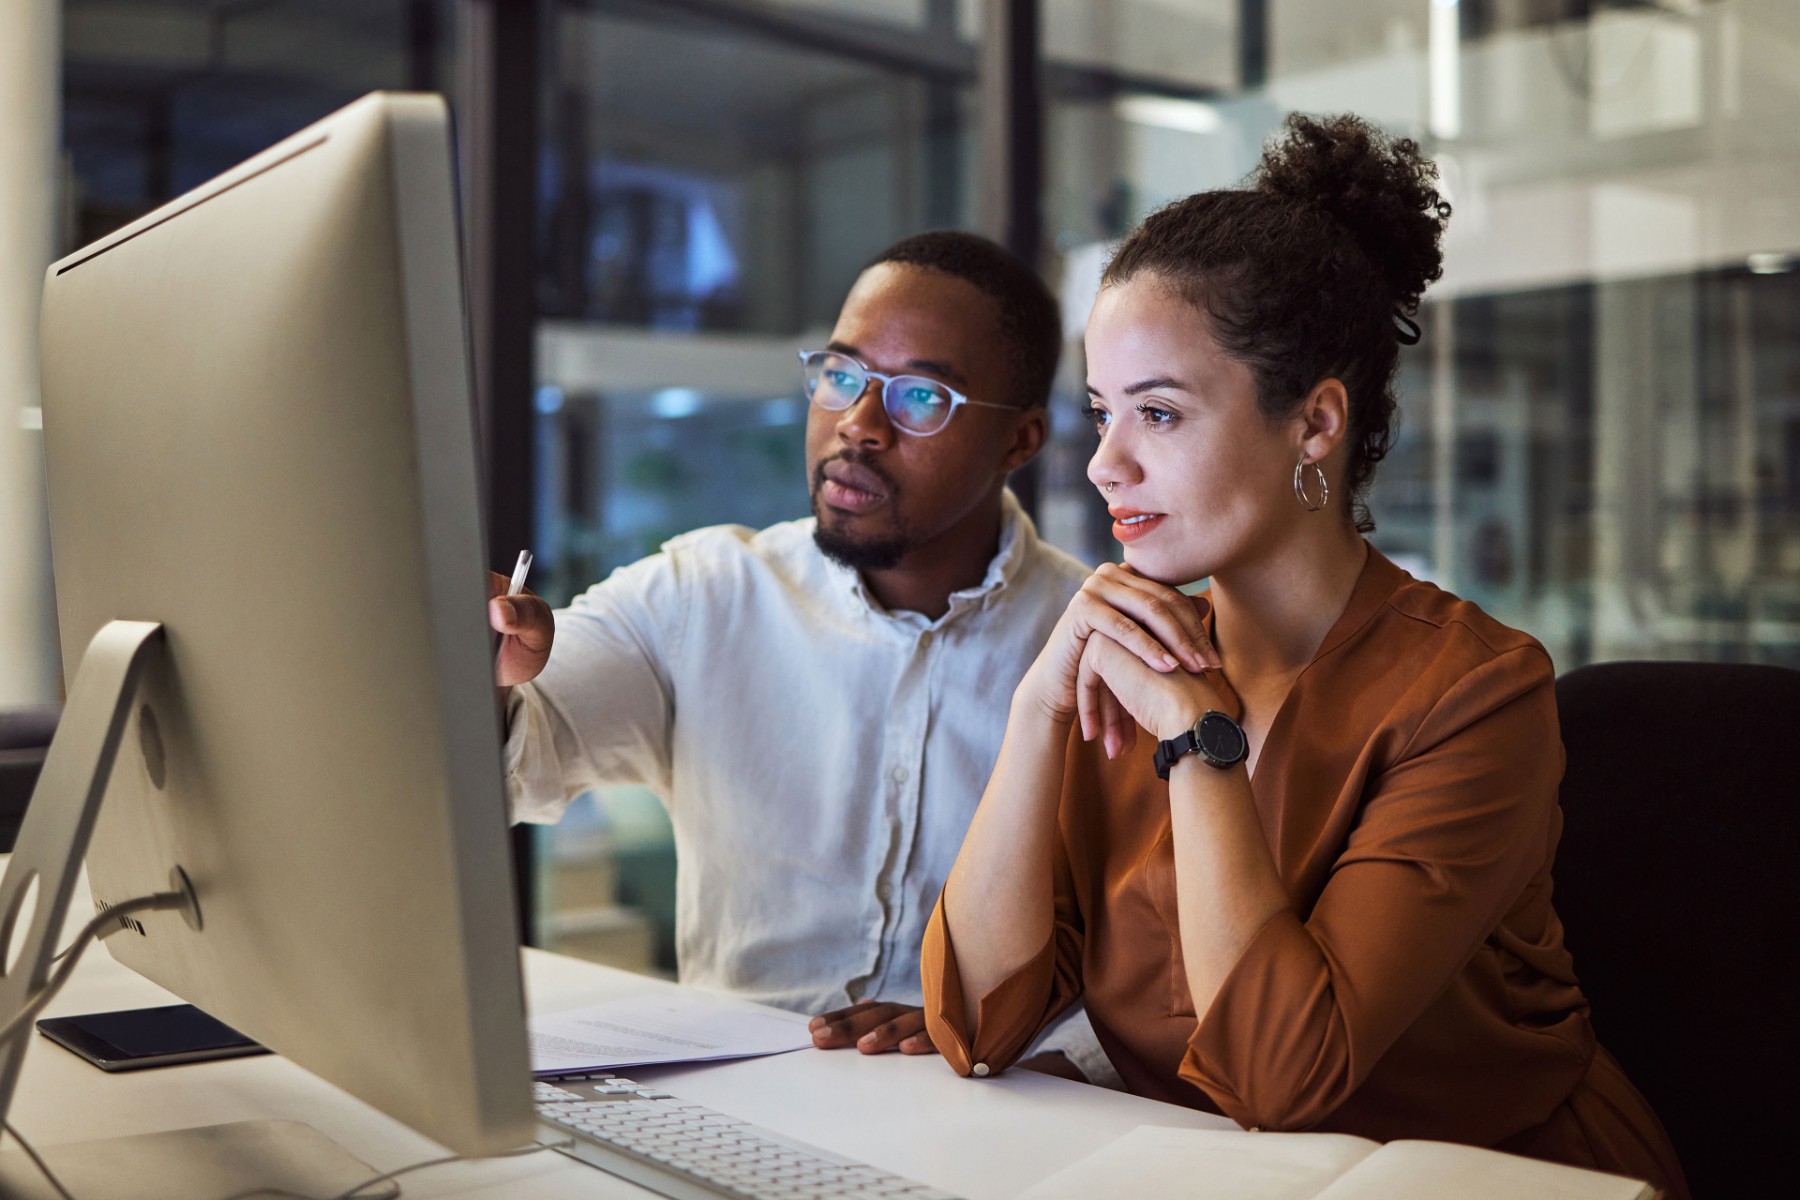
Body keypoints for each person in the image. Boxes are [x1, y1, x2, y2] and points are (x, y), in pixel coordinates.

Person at [921, 115, 1689, 1198]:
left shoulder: (1474, 689)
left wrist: (1201, 740)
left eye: (1160, 413)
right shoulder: (1128, 655)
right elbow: (977, 1023)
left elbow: (1282, 1075)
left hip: (1484, 1179)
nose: (1106, 464)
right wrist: (1038, 709)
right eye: (1101, 414)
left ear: (1315, 423)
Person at [492, 231, 1109, 1081]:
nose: (857, 425)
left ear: (1021, 441)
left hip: (992, 1109)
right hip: (731, 1102)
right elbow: (516, 764)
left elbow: (1152, 973)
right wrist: (486, 676)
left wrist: (1013, 1037)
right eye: (843, 374)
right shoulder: (705, 593)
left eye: (921, 397)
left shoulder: (1096, 648)